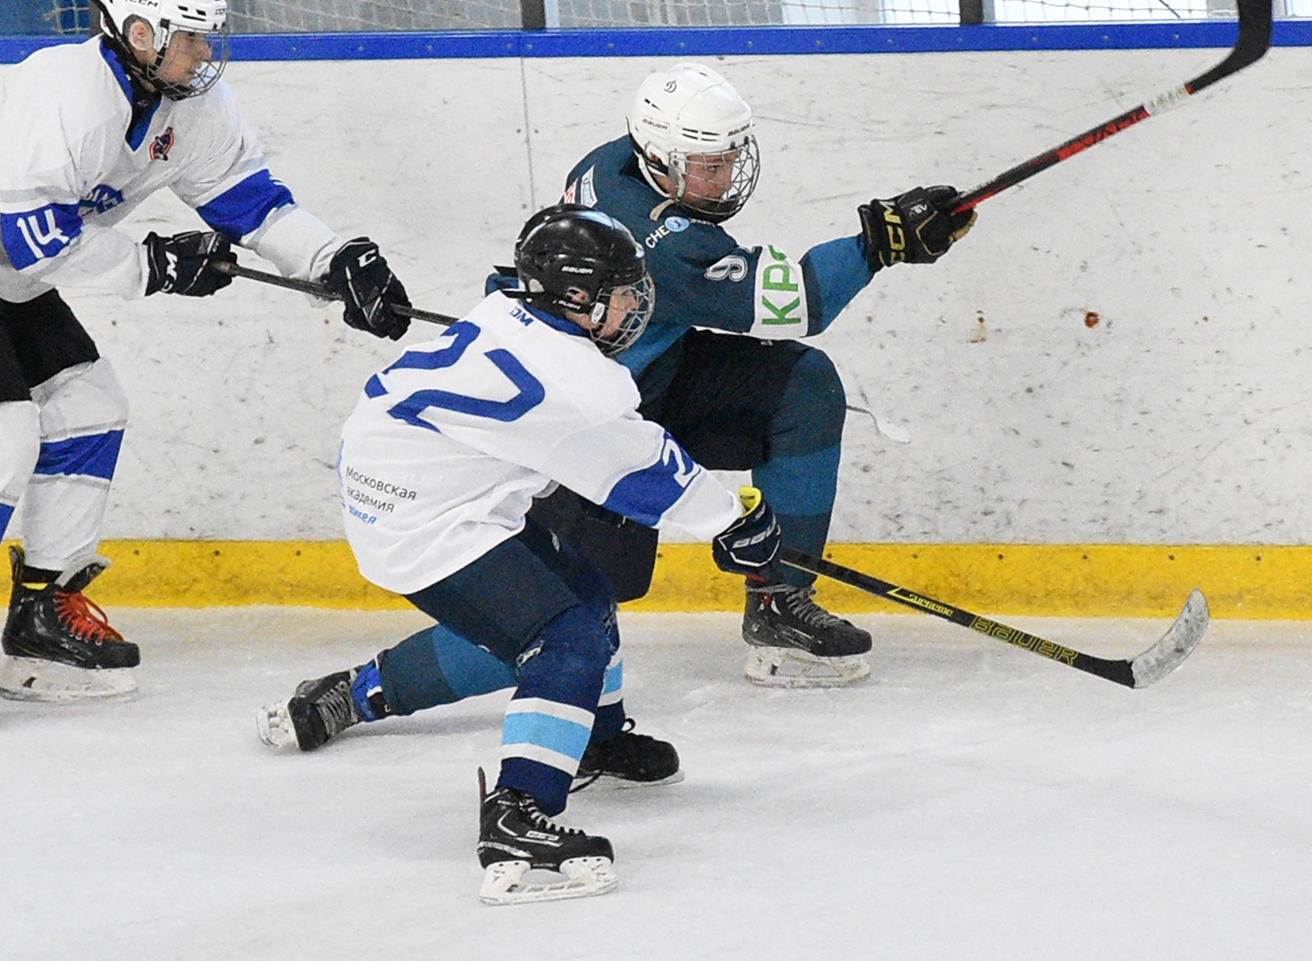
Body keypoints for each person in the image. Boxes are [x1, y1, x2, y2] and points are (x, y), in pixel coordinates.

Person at [260, 62, 974, 756]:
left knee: (803, 390)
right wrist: (881, 245)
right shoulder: (661, 246)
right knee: (568, 612)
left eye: (729, 159)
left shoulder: (616, 159)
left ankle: (780, 606)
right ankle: (363, 691)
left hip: (649, 369)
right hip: (583, 423)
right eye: (708, 165)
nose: (724, 178)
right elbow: (801, 302)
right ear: (662, 159)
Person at [0, 0, 411, 732]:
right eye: (189, 39)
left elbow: (252, 206)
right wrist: (156, 263)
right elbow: (38, 242)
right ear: (139, 31)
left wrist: (336, 259)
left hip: (4, 251)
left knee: (88, 404)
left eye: (208, 39)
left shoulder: (194, 107)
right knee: (0, 425)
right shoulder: (65, 89)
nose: (203, 56)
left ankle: (43, 614)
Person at [262, 204, 782, 904]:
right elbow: (642, 471)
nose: (635, 305)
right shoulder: (581, 383)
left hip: (414, 478)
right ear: (576, 298)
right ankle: (517, 815)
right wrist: (731, 523)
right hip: (423, 518)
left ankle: (591, 737)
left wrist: (719, 519)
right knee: (561, 642)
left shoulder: (511, 309)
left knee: (591, 599)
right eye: (624, 292)